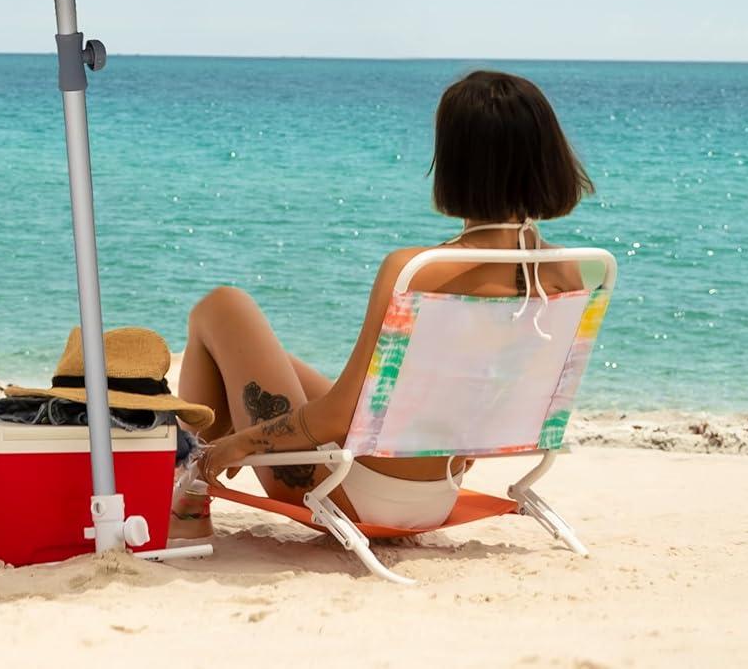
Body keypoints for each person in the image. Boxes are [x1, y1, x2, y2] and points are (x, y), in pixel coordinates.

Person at [171, 69, 594, 538]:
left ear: (456, 161)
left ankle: (185, 484)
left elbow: (337, 415)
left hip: (350, 491)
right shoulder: (564, 271)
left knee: (222, 307)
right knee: (268, 360)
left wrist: (236, 445)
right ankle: (187, 482)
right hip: (438, 491)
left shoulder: (420, 270)